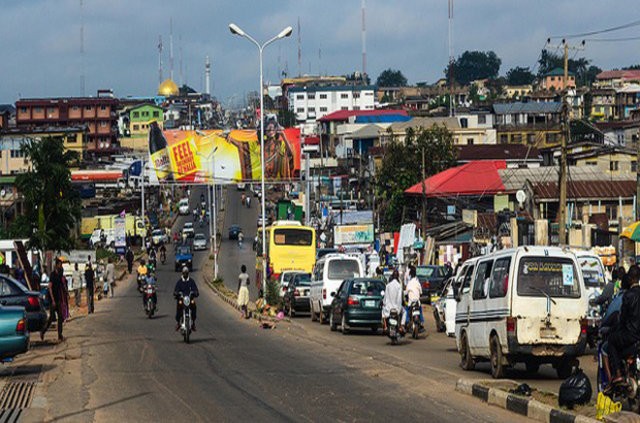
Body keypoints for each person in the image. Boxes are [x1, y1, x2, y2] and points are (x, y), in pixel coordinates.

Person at [604, 265, 640, 388]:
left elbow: (623, 318)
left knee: (612, 341)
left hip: (630, 334)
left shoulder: (628, 295)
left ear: (630, 279)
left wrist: (618, 326)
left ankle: (618, 373)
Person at [41, 258, 69, 342]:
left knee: (60, 317)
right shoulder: (53, 275)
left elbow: (62, 285)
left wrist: (66, 292)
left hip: (58, 299)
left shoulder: (60, 274)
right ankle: (43, 331)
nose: (61, 266)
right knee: (51, 318)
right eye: (60, 264)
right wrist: (52, 300)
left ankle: (60, 335)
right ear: (56, 265)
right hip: (52, 299)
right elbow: (50, 287)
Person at [174, 266, 199, 331]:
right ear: (182, 273)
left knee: (194, 307)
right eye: (184, 273)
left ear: (188, 273)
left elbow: (195, 289)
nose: (185, 274)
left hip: (189, 299)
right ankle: (178, 323)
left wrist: (195, 293)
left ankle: (193, 323)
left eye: (186, 273)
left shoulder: (191, 281)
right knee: (179, 308)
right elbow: (176, 290)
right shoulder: (179, 282)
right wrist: (176, 293)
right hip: (182, 299)